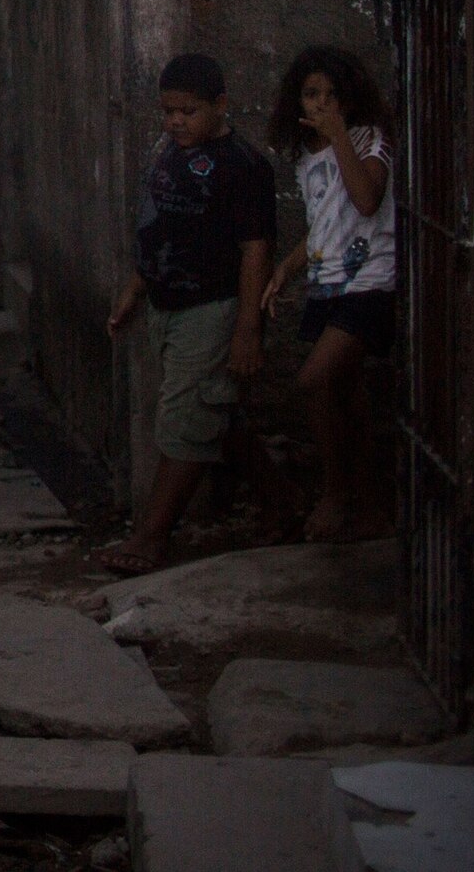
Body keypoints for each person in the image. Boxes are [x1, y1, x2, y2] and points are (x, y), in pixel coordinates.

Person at [97, 52, 278, 576]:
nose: (177, 121)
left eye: (189, 111)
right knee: (210, 411)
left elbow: (255, 250)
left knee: (184, 421)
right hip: (166, 307)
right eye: (169, 111)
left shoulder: (242, 167)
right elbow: (160, 228)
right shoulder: (170, 154)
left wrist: (247, 326)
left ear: (220, 106)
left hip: (212, 310)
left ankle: (151, 537)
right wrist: (137, 286)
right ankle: (282, 500)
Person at [258, 45, 394, 543]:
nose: (322, 105)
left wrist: (340, 136)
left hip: (369, 283)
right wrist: (286, 271)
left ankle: (335, 494)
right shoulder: (307, 158)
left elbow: (365, 198)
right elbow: (321, 225)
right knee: (346, 394)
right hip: (328, 284)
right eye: (313, 95)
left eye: (332, 96)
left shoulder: (368, 140)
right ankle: (371, 506)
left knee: (313, 381)